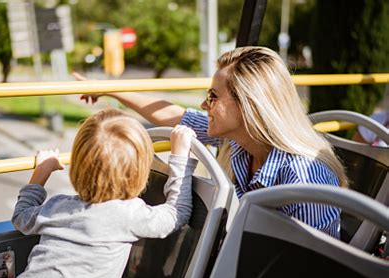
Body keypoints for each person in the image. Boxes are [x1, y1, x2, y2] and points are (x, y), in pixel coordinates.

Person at [76, 46, 348, 239]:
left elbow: (314, 269)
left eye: (213, 96)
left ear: (249, 106)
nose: (203, 104)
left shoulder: (304, 179)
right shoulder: (241, 141)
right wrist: (110, 89)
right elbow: (175, 115)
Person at [0, 108, 197, 278]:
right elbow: (177, 213)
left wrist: (41, 171)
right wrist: (179, 157)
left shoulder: (57, 207)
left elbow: (20, 216)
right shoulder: (128, 215)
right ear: (139, 173)